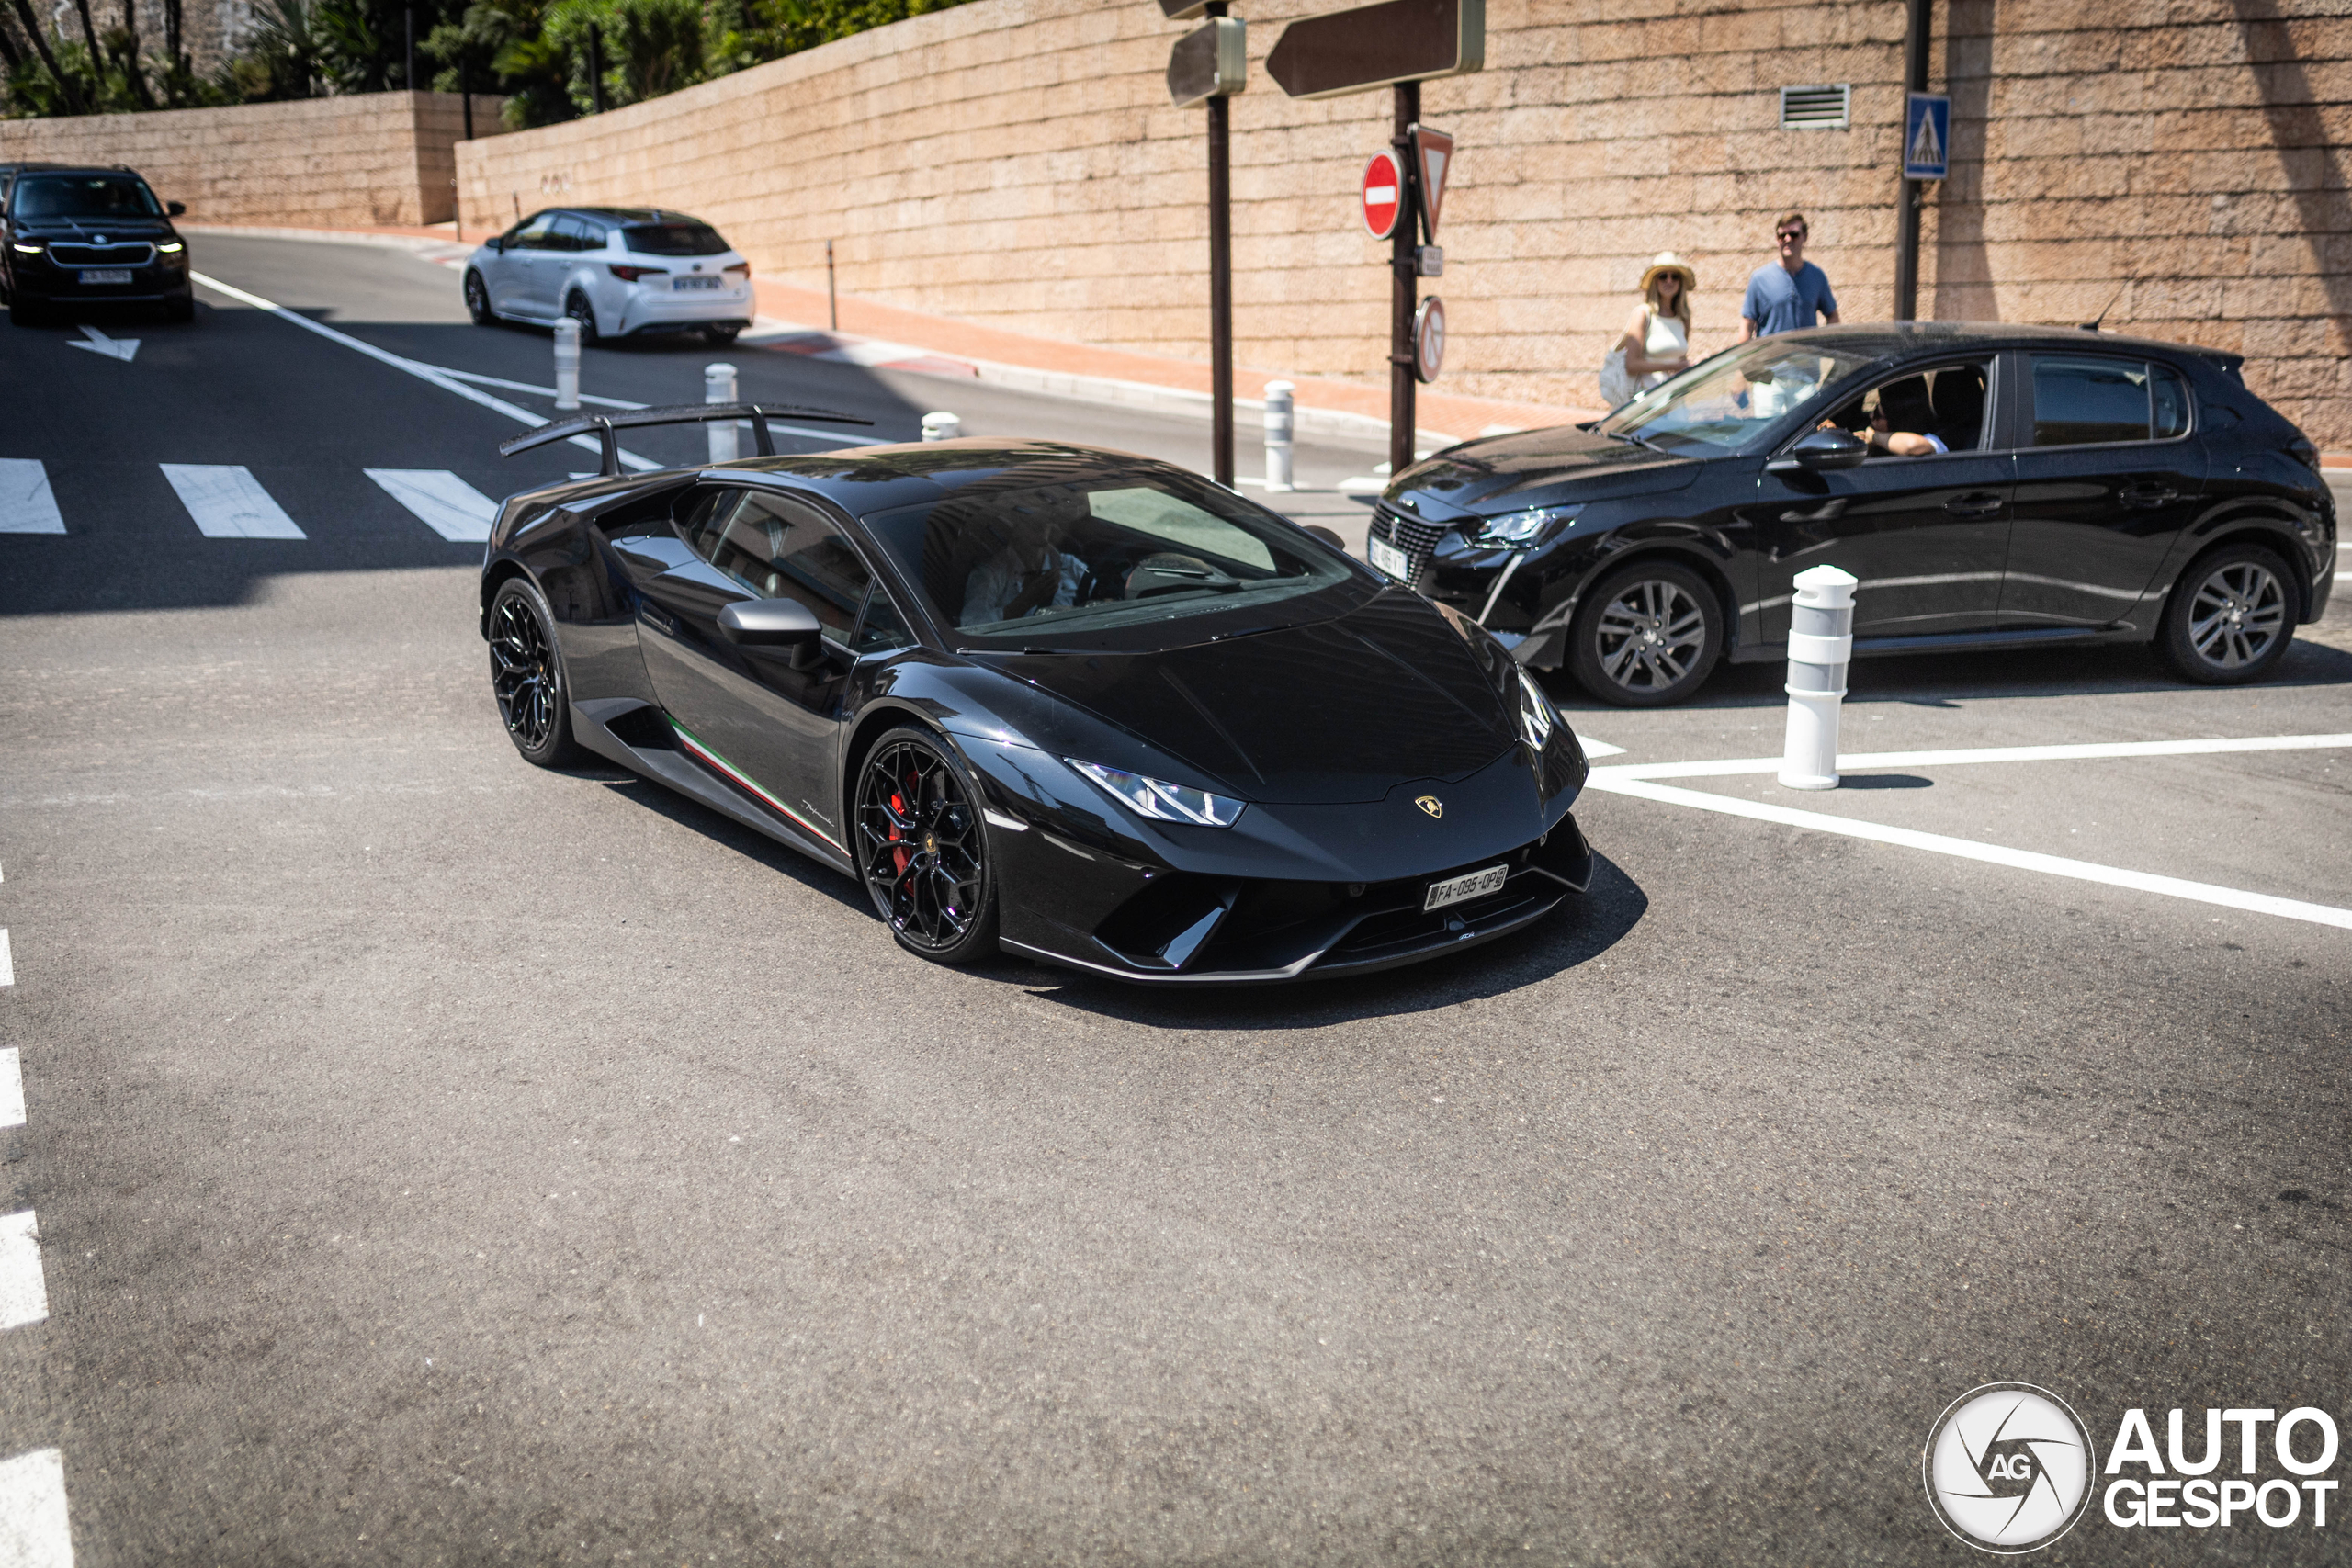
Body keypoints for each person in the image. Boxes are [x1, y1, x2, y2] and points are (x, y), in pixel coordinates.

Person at [1737, 211, 1840, 342]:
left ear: (1805, 237)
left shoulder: (1816, 276)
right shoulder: (1759, 279)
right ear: (1776, 239)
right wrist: (1745, 360)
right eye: (1782, 235)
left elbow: (1833, 317)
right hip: (1770, 361)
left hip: (1806, 361)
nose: (1787, 239)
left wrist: (1827, 347)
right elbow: (1747, 325)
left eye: (1794, 234)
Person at [962, 520, 1087, 624]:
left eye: (1045, 519)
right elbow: (971, 624)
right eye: (1031, 520)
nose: (1041, 526)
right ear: (1014, 528)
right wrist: (1023, 603)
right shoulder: (990, 574)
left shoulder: (1068, 564)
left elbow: (1101, 597)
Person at [1614, 253, 1695, 392]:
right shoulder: (1643, 314)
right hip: (1647, 397)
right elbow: (1631, 364)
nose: (1669, 281)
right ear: (1655, 281)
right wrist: (1671, 366)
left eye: (1674, 276)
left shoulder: (1684, 317)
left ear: (1680, 282)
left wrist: (1695, 363)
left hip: (1675, 395)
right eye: (1663, 276)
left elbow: (1681, 360)